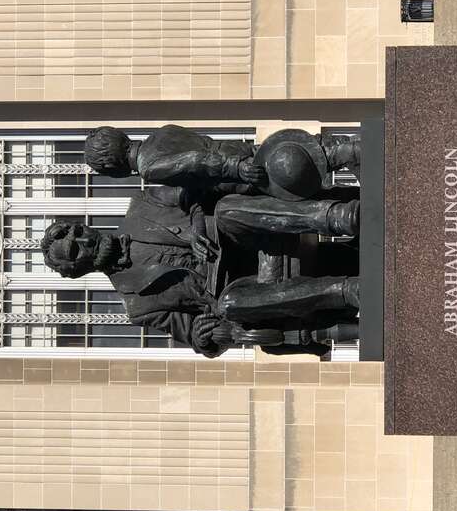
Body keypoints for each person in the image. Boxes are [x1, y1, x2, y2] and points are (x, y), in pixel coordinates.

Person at [40, 186, 360, 358]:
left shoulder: (142, 204)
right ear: (77, 270)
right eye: (75, 250)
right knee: (230, 306)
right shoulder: (139, 306)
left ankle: (337, 216)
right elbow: (195, 335)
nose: (84, 240)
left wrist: (196, 224)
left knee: (225, 211)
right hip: (249, 288)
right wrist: (205, 334)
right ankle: (347, 291)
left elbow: (196, 190)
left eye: (78, 231)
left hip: (246, 232)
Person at [85, 125, 360, 201]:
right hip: (239, 151)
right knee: (312, 152)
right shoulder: (160, 132)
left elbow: (194, 161)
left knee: (301, 169)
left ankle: (357, 154)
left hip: (243, 174)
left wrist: (235, 169)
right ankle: (357, 149)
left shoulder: (148, 167)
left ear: (112, 167)